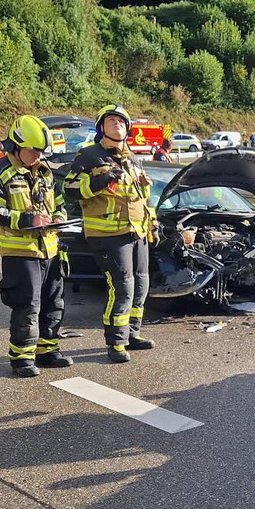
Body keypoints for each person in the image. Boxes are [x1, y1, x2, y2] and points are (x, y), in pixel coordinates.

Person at [0, 115, 72, 378]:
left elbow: (60, 204)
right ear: (17, 145)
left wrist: (59, 219)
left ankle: (48, 351)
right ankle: (21, 358)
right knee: (27, 305)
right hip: (20, 252)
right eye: (34, 151)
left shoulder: (45, 172)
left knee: (53, 303)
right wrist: (26, 219)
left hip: (51, 249)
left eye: (41, 151)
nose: (38, 156)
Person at [68, 104, 156, 363]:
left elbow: (143, 196)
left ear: (128, 128)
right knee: (122, 287)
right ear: (101, 127)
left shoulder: (134, 158)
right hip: (108, 234)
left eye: (121, 120)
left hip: (137, 231)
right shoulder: (89, 156)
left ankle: (132, 335)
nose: (117, 123)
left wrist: (153, 223)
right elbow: (71, 189)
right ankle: (115, 342)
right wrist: (102, 180)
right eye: (111, 120)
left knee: (142, 285)